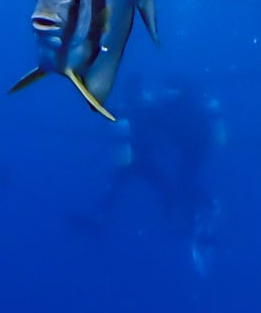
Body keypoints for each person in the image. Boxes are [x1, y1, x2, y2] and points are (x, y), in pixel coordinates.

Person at [73, 73, 226, 275]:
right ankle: (173, 220)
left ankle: (101, 217)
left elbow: (105, 126)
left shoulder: (121, 107)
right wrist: (178, 141)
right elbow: (167, 127)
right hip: (143, 160)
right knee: (165, 186)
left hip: (128, 162)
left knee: (116, 187)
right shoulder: (147, 107)